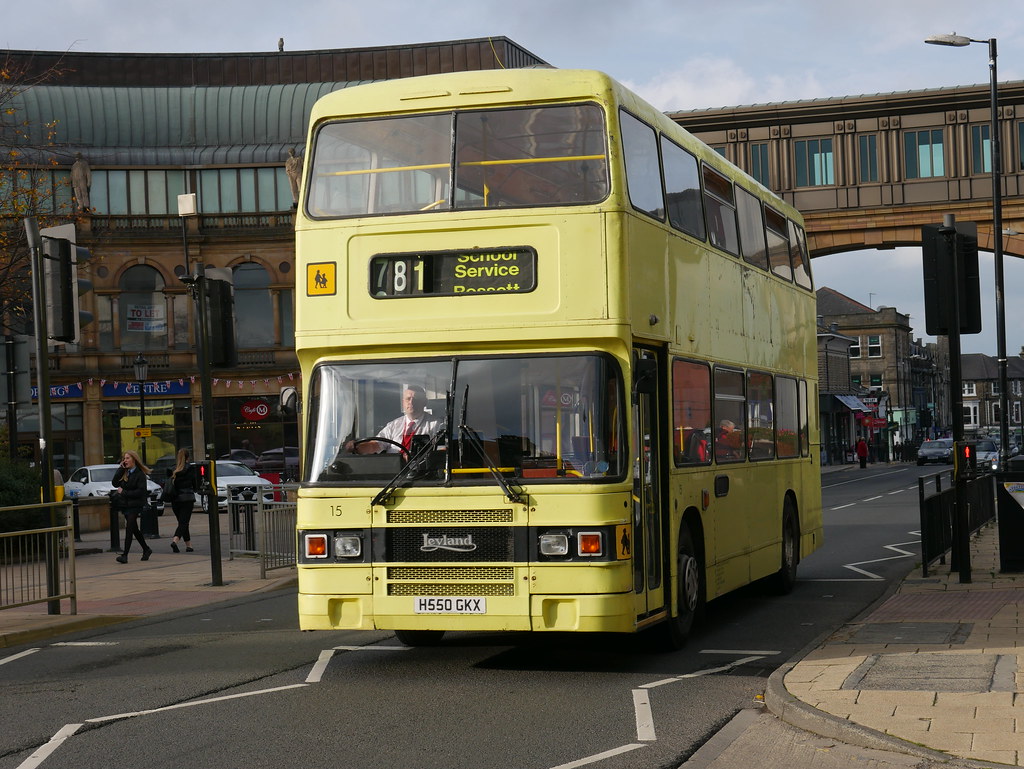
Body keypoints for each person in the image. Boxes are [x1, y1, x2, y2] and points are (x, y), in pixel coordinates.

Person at [348, 385, 439, 455]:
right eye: (408, 399)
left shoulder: (437, 425)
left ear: (425, 402)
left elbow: (442, 451)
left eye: (416, 399)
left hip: (424, 475)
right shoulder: (393, 425)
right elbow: (375, 445)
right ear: (403, 402)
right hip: (394, 475)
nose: (411, 402)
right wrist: (357, 447)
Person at [110, 449, 153, 563]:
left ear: (134, 459)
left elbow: (140, 492)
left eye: (128, 458)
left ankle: (125, 555)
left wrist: (123, 492)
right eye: (124, 458)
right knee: (134, 529)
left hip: (135, 505)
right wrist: (121, 468)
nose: (125, 460)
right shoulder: (125, 472)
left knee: (129, 528)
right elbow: (114, 483)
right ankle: (146, 549)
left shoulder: (140, 474)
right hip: (126, 505)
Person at [169, 448, 200, 553]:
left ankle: (189, 545)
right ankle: (175, 540)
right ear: (188, 457)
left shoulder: (172, 469)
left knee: (182, 522)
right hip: (187, 498)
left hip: (175, 500)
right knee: (184, 523)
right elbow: (195, 484)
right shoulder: (190, 469)